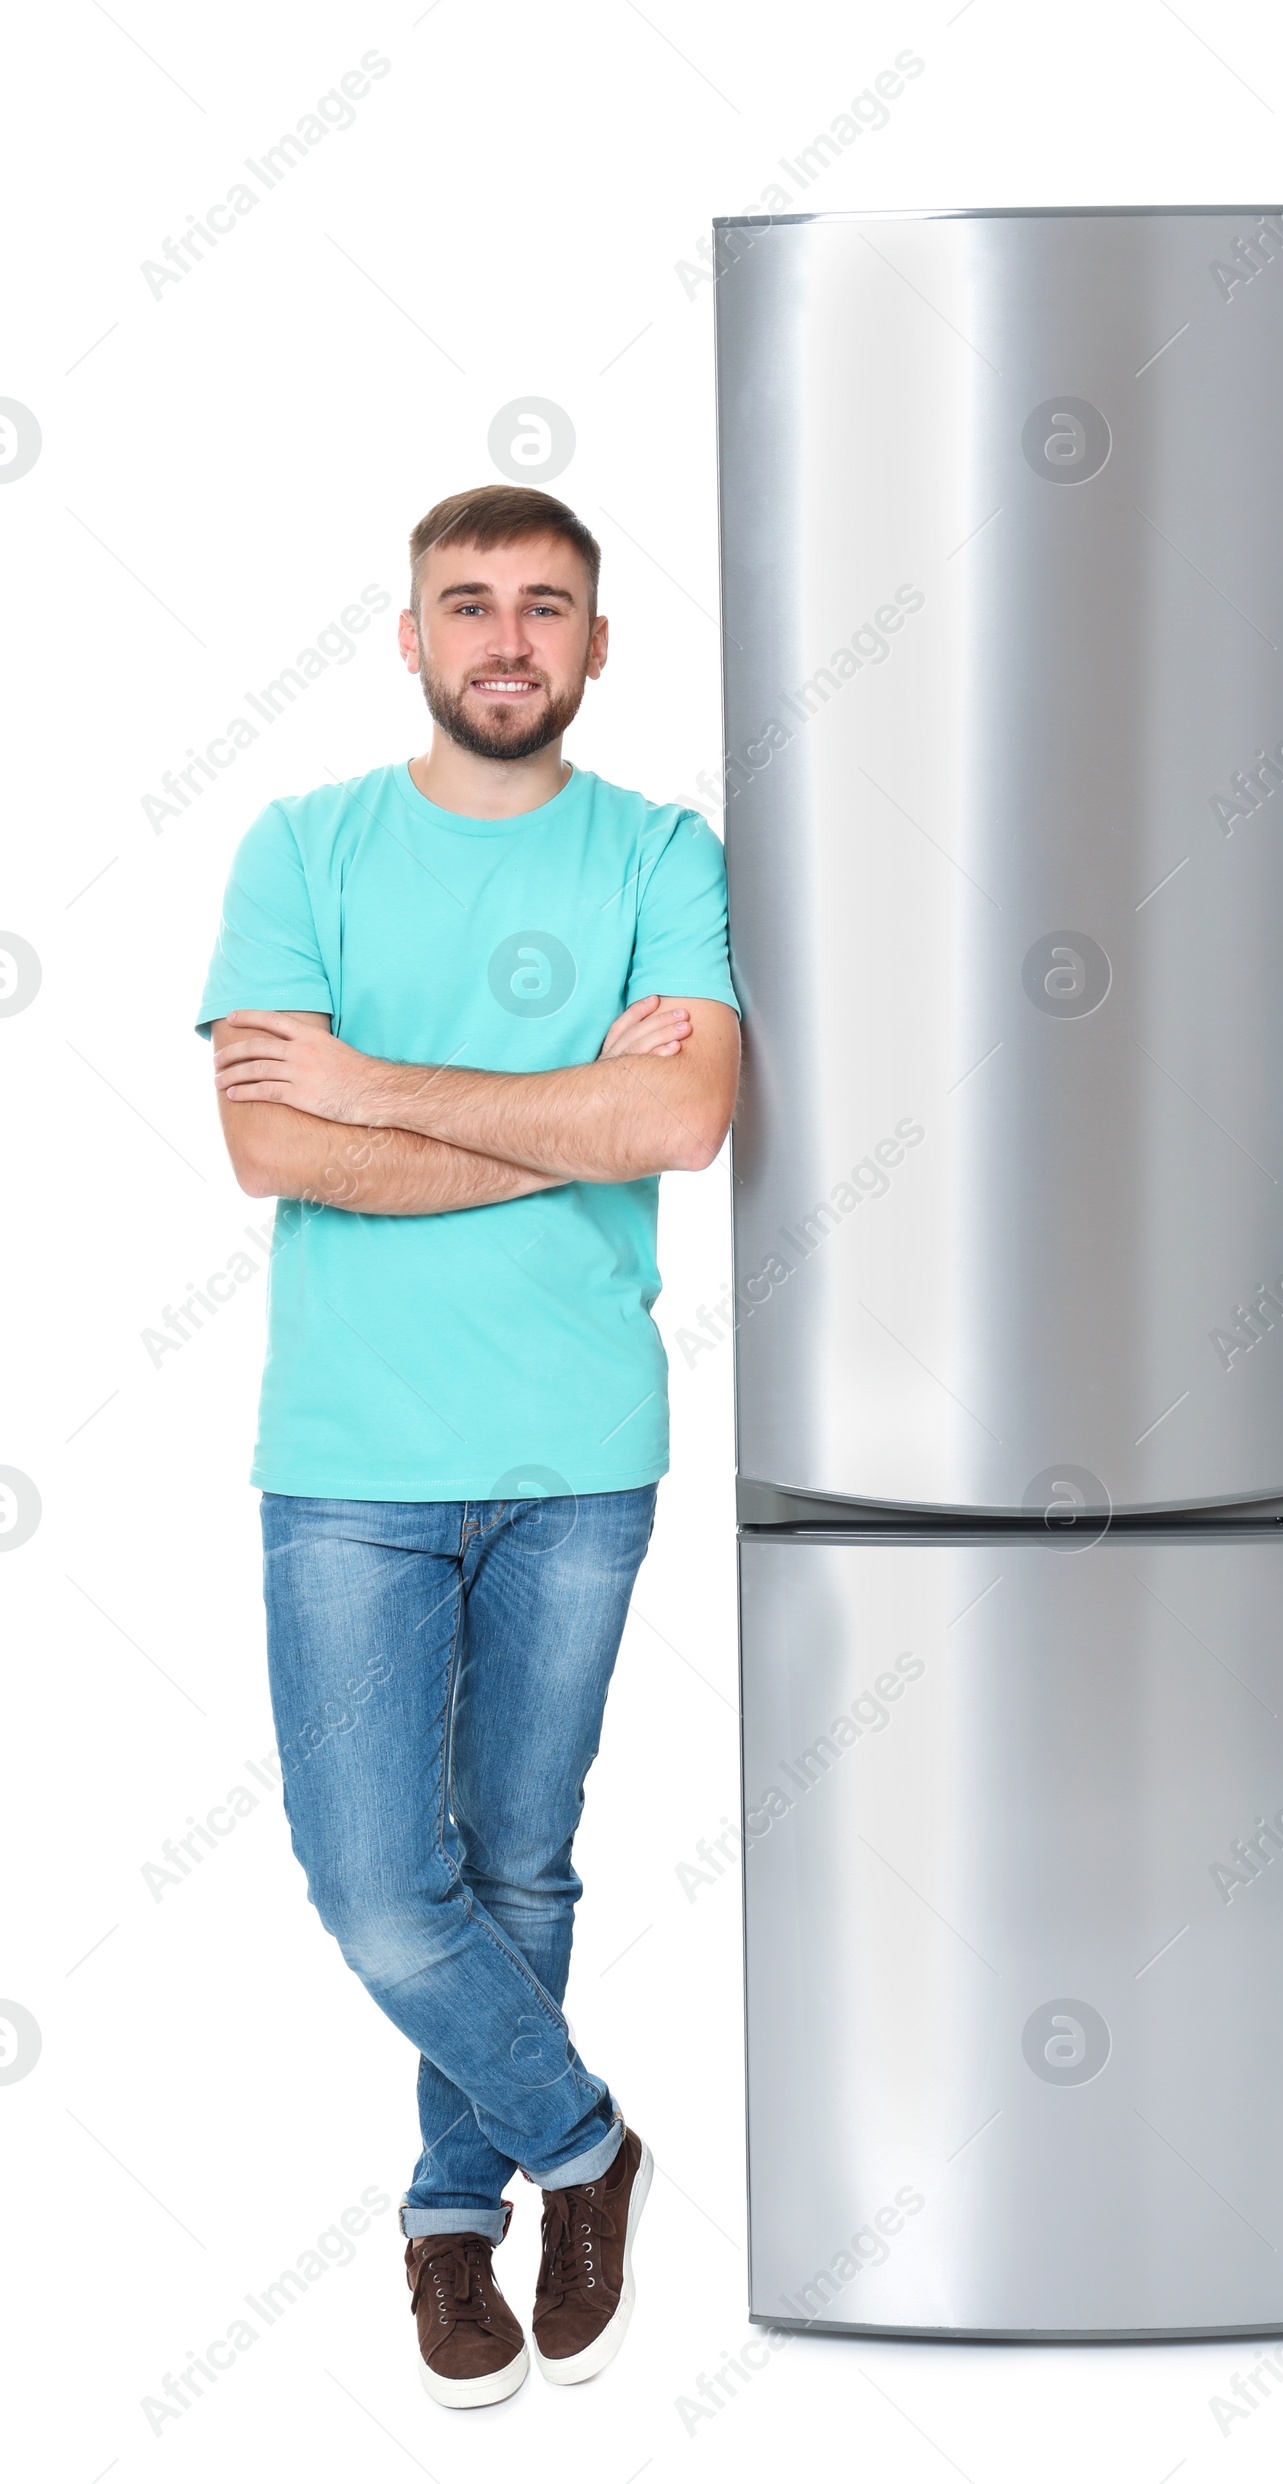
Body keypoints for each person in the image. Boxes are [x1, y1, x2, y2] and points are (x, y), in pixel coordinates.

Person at [195, 483, 741, 2407]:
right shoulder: (302, 849)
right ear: (411, 638)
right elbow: (272, 1147)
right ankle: (589, 2149)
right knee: (372, 1882)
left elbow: (678, 1130)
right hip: (351, 1451)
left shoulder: (668, 853)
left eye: (547, 607)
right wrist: (557, 1103)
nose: (507, 638)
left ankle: (451, 2218)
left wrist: (384, 1094)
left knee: (521, 1858)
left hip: (582, 1442)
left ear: (599, 646)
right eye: (469, 604)